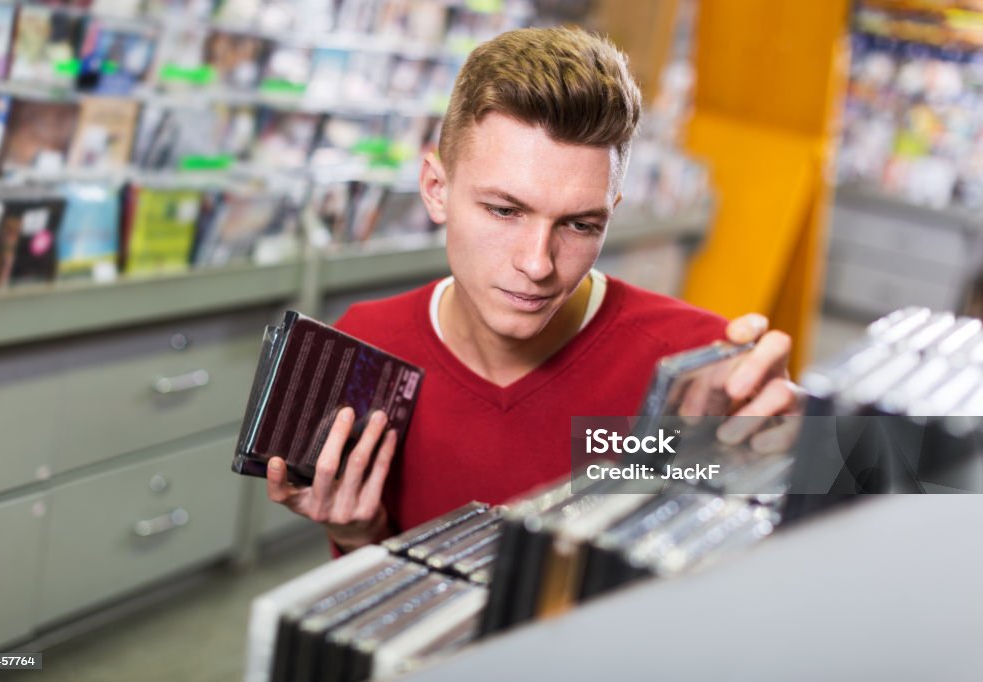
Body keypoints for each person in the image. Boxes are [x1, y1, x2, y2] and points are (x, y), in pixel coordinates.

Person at [266, 27, 799, 553]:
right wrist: (358, 536)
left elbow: (853, 501)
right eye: (504, 210)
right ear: (435, 190)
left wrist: (799, 457)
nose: (537, 263)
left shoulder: (696, 365)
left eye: (580, 225)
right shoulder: (367, 345)